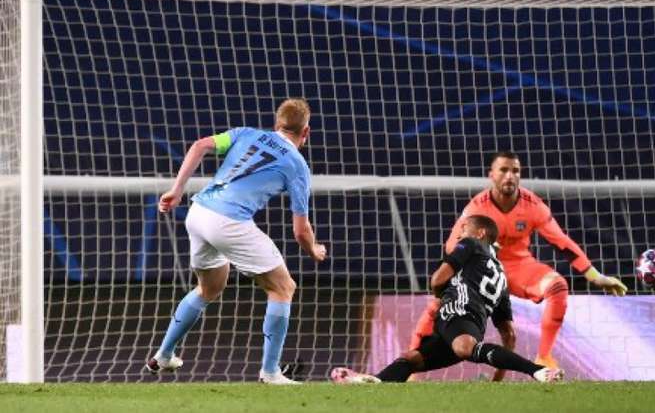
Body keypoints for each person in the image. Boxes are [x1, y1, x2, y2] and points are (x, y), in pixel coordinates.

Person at [145, 98, 326, 385]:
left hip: (199, 211)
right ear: (306, 132)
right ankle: (270, 372)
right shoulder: (298, 166)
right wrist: (314, 250)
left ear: (277, 124)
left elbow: (199, 146)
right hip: (228, 222)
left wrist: (177, 189)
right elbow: (301, 231)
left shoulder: (247, 133)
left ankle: (164, 355)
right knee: (283, 287)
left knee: (209, 287)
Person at [409, 151, 627, 374]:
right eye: (503, 170)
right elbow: (452, 245)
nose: (510, 176)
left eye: (515, 171)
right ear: (491, 175)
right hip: (481, 271)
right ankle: (410, 365)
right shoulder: (477, 208)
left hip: (520, 268)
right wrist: (481, 252)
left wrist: (595, 276)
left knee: (558, 286)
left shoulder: (533, 205)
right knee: (437, 306)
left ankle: (544, 357)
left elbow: (561, 242)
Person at [331, 214, 563, 384]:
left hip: (457, 316)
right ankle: (374, 382)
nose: (460, 233)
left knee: (464, 348)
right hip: (468, 326)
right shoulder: (501, 274)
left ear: (480, 233)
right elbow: (509, 335)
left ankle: (538, 371)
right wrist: (497, 381)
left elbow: (436, 279)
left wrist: (439, 294)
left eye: (464, 228)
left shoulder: (471, 244)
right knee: (412, 358)